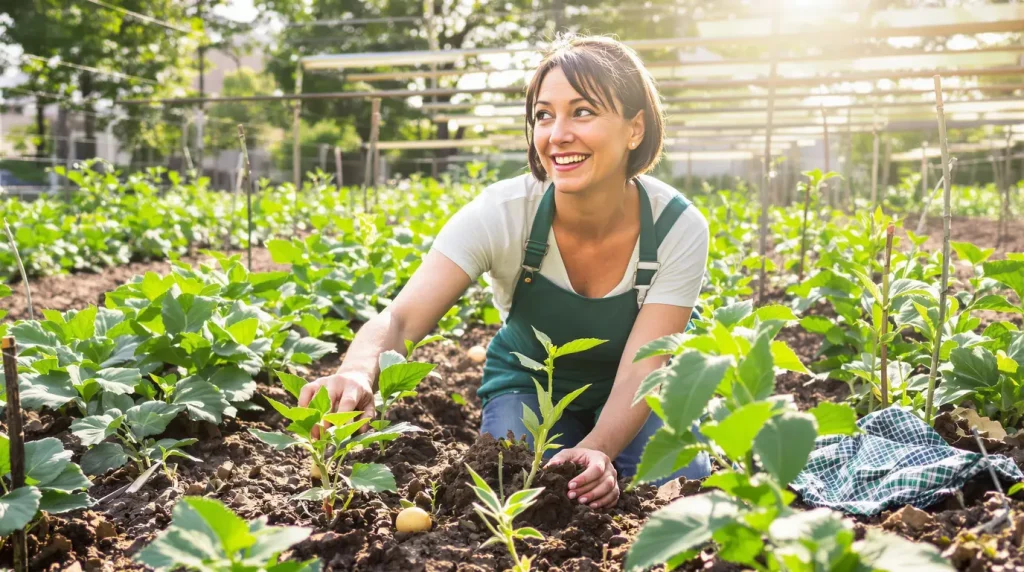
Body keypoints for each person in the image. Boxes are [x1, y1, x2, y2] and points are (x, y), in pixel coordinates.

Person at [298, 34, 712, 509]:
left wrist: (599, 446)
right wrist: (355, 371)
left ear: (634, 129)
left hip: (640, 390)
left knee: (680, 488)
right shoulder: (502, 212)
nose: (557, 134)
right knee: (519, 488)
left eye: (582, 112)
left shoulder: (677, 226)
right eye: (543, 115)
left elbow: (646, 368)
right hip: (529, 385)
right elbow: (402, 319)